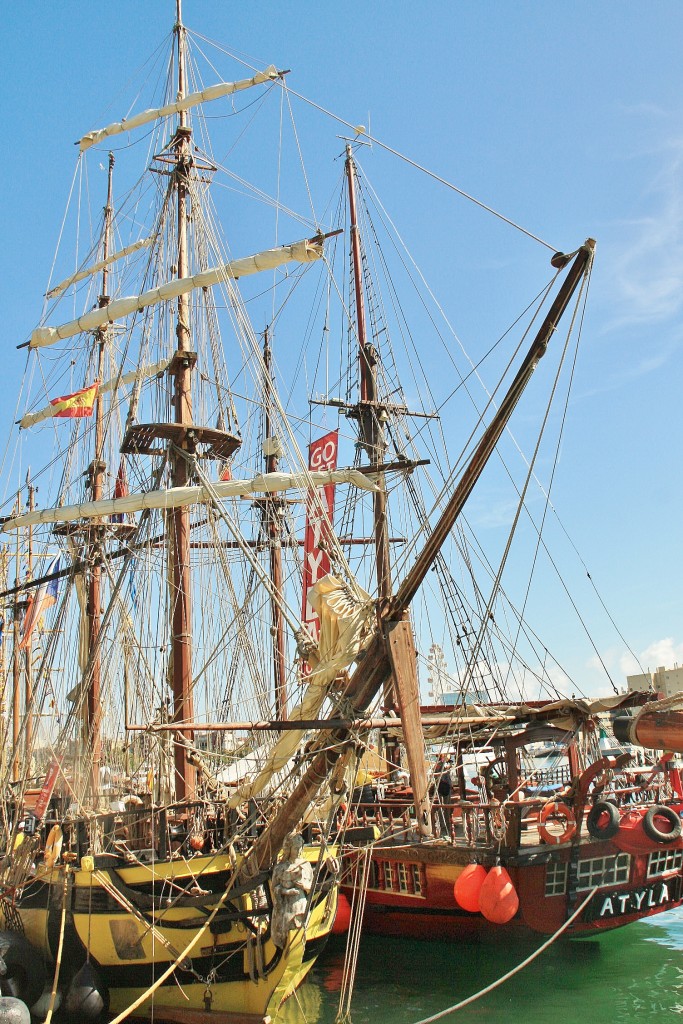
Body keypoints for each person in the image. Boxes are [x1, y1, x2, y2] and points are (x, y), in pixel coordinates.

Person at [434, 754, 453, 837]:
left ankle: (445, 823)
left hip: (441, 786)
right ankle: (445, 824)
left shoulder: (437, 765)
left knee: (444, 806)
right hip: (444, 787)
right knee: (445, 806)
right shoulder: (442, 765)